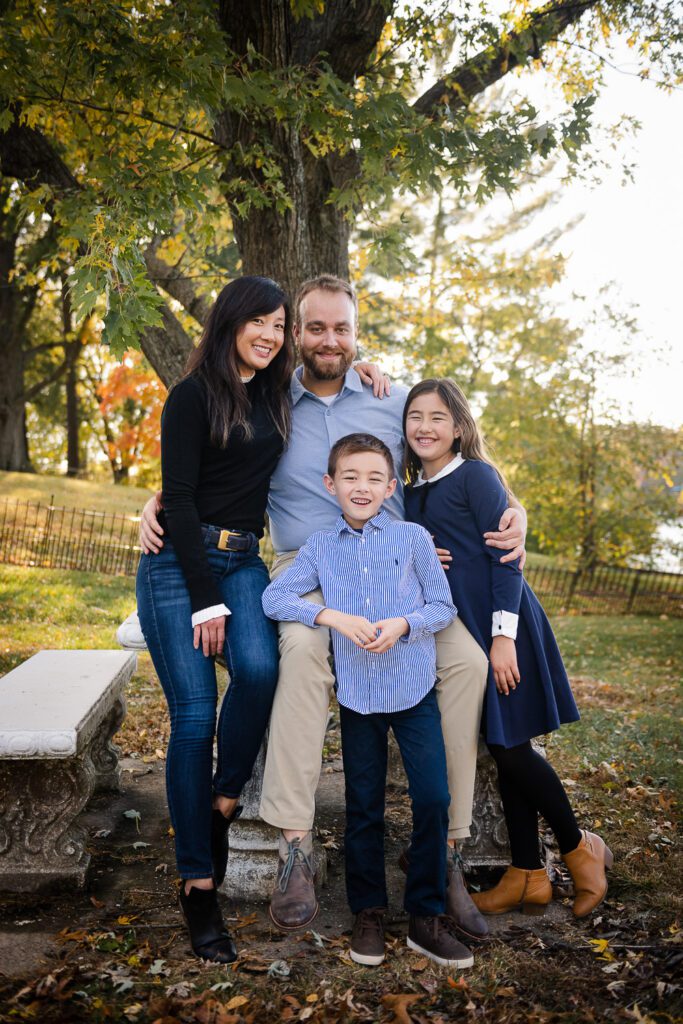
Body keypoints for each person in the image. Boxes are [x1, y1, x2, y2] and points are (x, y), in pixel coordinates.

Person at [133, 275, 527, 936]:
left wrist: (512, 507)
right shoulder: (267, 397)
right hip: (304, 567)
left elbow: (456, 451)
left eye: (339, 328)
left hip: (395, 571)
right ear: (295, 336)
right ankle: (293, 844)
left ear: (354, 332)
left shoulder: (391, 399)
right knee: (299, 653)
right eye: (312, 328)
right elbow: (210, 460)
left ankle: (448, 851)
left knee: (464, 663)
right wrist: (156, 500)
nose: (327, 340)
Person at [402, 378, 613, 918]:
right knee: (503, 746)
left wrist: (502, 639)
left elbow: (506, 563)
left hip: (504, 628)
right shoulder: (409, 493)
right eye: (415, 417)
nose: (425, 427)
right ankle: (527, 874)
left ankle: (578, 847)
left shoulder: (477, 477)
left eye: (437, 418)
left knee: (514, 748)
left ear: (459, 427)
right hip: (460, 633)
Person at [262, 433, 475, 969]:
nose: (362, 487)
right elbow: (275, 596)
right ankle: (369, 912)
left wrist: (404, 623)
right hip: (359, 699)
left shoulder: (412, 539)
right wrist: (330, 617)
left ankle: (425, 915)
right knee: (364, 809)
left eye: (375, 478)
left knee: (432, 799)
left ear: (390, 487)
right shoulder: (320, 547)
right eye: (351, 477)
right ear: (331, 485)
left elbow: (441, 607)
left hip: (412, 689)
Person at [136, 275, 295, 963]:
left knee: (261, 671)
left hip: (245, 560)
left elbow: (339, 375)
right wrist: (206, 598)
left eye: (279, 325)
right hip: (179, 566)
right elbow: (180, 496)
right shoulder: (192, 394)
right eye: (259, 321)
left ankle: (219, 806)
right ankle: (198, 885)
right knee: (195, 716)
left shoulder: (274, 395)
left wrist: (374, 371)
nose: (269, 334)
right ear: (230, 320)